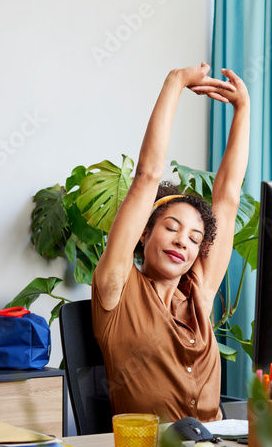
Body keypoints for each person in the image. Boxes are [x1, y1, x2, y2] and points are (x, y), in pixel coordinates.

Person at [91, 62, 250, 423]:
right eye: (171, 228)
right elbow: (148, 175)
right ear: (144, 232)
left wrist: (243, 109)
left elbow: (227, 198)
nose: (183, 241)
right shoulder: (117, 288)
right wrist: (176, 82)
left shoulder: (199, 294)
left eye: (195, 238)